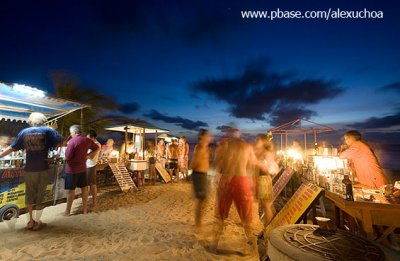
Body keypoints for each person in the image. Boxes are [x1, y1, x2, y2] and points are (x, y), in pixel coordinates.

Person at [0, 112, 63, 230]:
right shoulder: (47, 130)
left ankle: (30, 221)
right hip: (43, 168)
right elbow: (61, 140)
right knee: (40, 196)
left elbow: (12, 147)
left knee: (29, 195)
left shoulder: (24, 132)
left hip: (29, 168)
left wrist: (0, 155)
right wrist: (52, 131)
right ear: (43, 120)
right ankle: (37, 222)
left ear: (31, 121)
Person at [211, 128, 266, 252]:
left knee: (220, 215)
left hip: (226, 180)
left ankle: (214, 244)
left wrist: (217, 177)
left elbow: (217, 164)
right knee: (246, 218)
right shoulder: (247, 146)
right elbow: (252, 166)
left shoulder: (224, 146)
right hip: (242, 180)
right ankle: (252, 247)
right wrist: (253, 183)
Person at [64, 125, 100, 216]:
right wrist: (88, 155)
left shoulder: (72, 142)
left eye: (71, 132)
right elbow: (97, 148)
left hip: (72, 169)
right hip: (83, 169)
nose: (70, 134)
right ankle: (85, 210)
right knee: (84, 188)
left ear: (75, 132)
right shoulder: (87, 140)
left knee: (71, 191)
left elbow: (67, 157)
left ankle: (67, 211)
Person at [190, 129, 212, 233]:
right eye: (208, 135)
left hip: (203, 175)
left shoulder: (205, 147)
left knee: (204, 200)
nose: (210, 137)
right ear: (202, 137)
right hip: (198, 175)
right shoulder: (200, 147)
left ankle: (198, 222)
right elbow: (193, 164)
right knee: (201, 200)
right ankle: (198, 224)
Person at [254, 135, 279, 225]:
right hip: (262, 179)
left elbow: (268, 169)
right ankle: (272, 224)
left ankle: (268, 228)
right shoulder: (264, 152)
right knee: (267, 205)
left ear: (263, 142)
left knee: (266, 206)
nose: (257, 142)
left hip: (264, 180)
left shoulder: (267, 153)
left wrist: (256, 163)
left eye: (259, 140)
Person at [86, 130, 101, 208]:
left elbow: (90, 156)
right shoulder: (89, 144)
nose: (87, 139)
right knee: (87, 185)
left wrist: (85, 155)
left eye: (88, 138)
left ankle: (94, 202)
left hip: (91, 165)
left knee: (92, 184)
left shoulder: (97, 144)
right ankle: (88, 201)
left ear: (93, 137)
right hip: (86, 166)